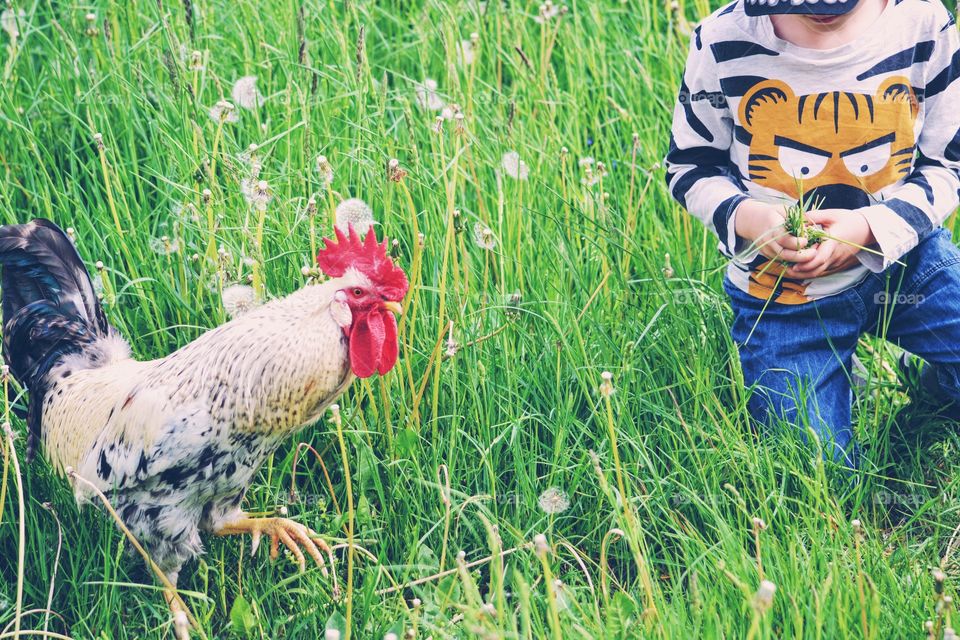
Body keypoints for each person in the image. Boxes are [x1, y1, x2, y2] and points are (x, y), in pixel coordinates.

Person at [664, 0, 960, 467]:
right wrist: (751, 219)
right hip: (785, 298)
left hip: (910, 268)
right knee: (818, 471)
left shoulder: (922, 23)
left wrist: (868, 228)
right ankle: (831, 376)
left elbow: (948, 164)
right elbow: (690, 166)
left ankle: (930, 388)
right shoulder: (723, 39)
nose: (821, 11)